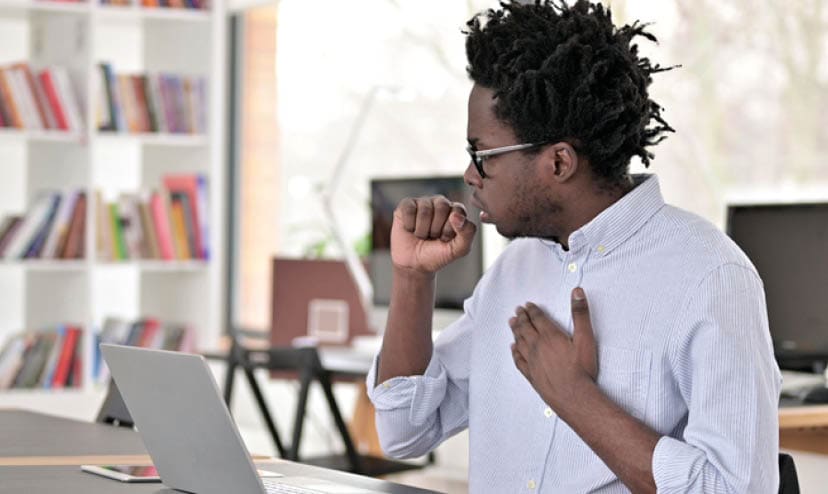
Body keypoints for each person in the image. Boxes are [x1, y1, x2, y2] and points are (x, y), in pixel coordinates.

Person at [366, 1, 781, 492]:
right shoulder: (513, 270)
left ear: (559, 162)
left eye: (482, 155)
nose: (469, 175)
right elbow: (404, 431)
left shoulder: (710, 277)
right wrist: (413, 279)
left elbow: (735, 488)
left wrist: (575, 398)